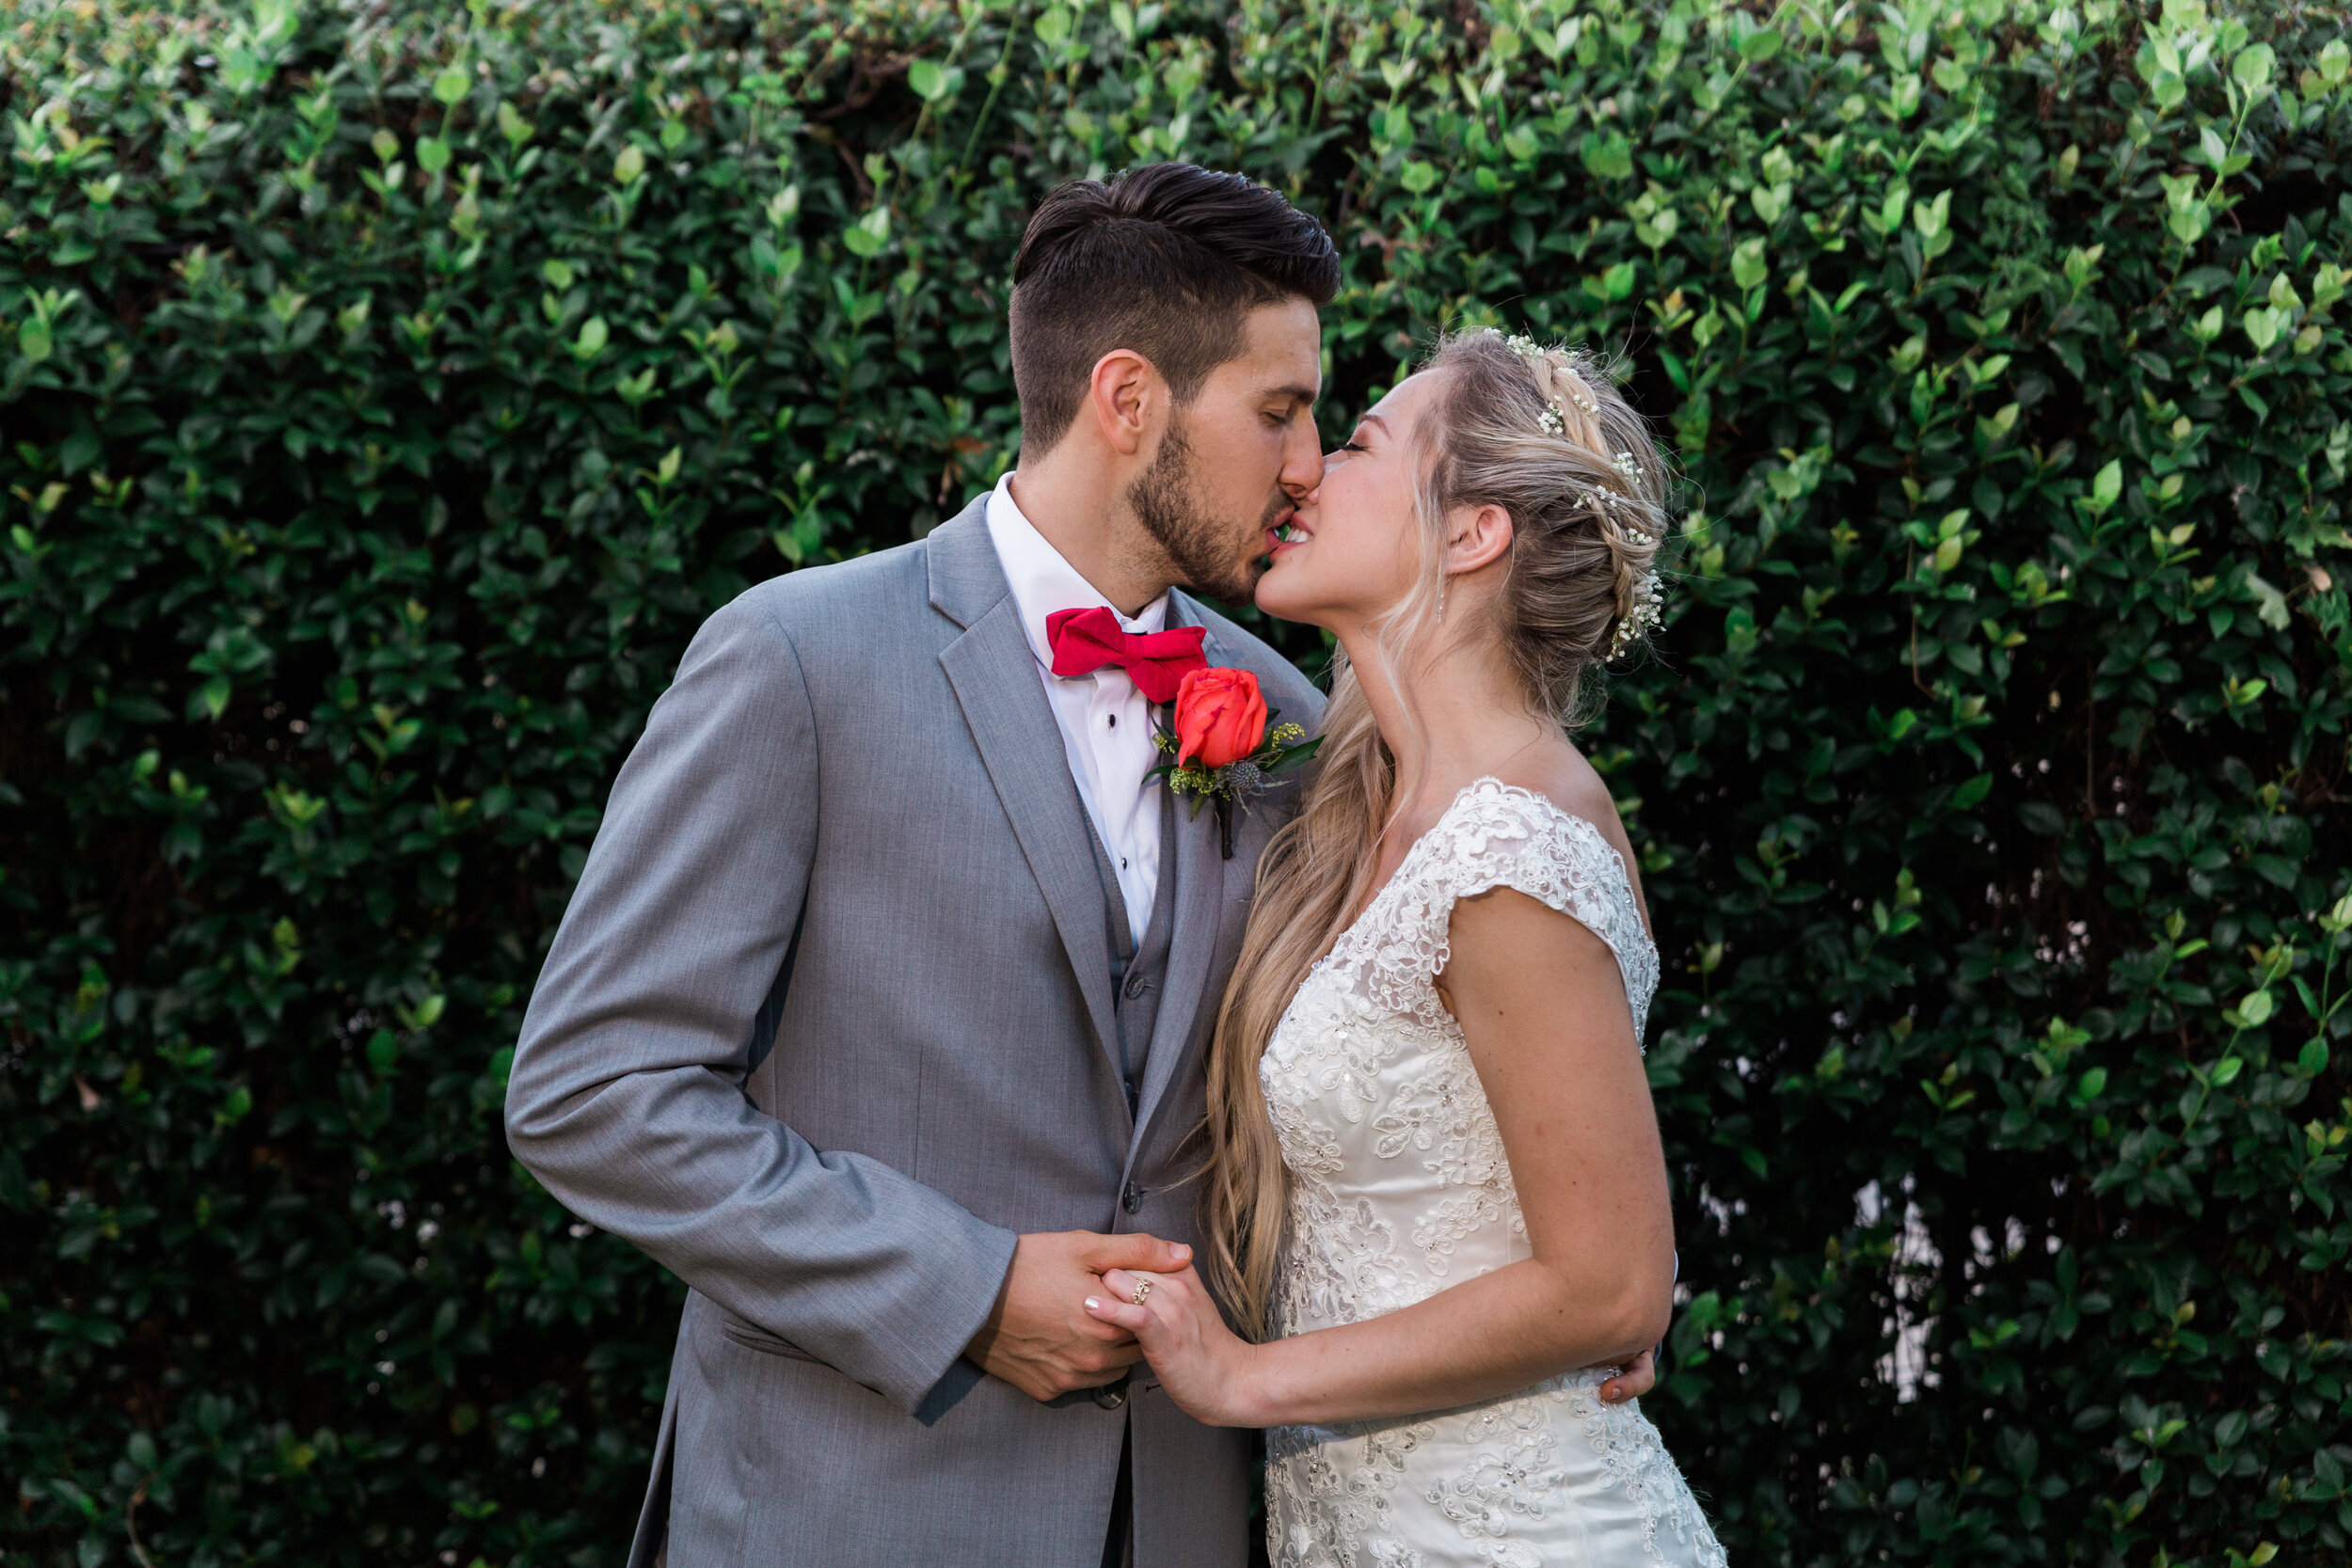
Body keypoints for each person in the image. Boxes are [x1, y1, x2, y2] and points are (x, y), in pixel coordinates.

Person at [1080, 327, 1724, 1567]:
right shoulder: (1360, 805)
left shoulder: (1511, 846)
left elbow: (1611, 1288)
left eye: (1364, 443)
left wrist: (1240, 1379)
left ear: (1473, 534)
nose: (1310, 470)